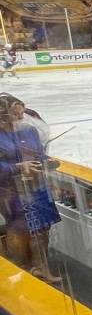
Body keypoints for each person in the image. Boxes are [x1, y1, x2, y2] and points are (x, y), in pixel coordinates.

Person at [0, 94, 61, 283]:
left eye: (21, 107)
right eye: (14, 109)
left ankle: (41, 266)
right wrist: (15, 167)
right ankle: (22, 267)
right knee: (22, 229)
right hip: (11, 190)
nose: (21, 113)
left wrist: (47, 162)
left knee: (43, 228)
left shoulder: (29, 131)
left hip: (36, 186)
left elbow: (38, 154)